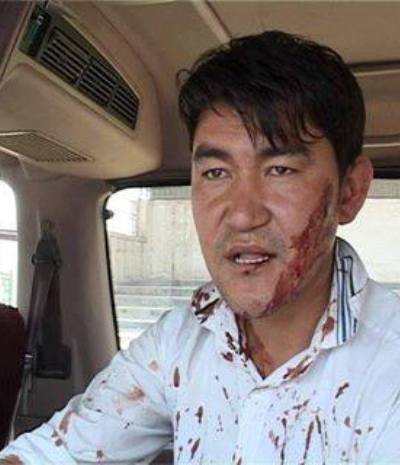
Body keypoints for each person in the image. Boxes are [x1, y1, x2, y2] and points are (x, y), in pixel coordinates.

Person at [1, 29, 400, 465]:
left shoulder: (389, 368)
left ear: (350, 192)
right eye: (215, 173)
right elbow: (57, 454)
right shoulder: (181, 340)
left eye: (281, 169)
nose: (242, 215)